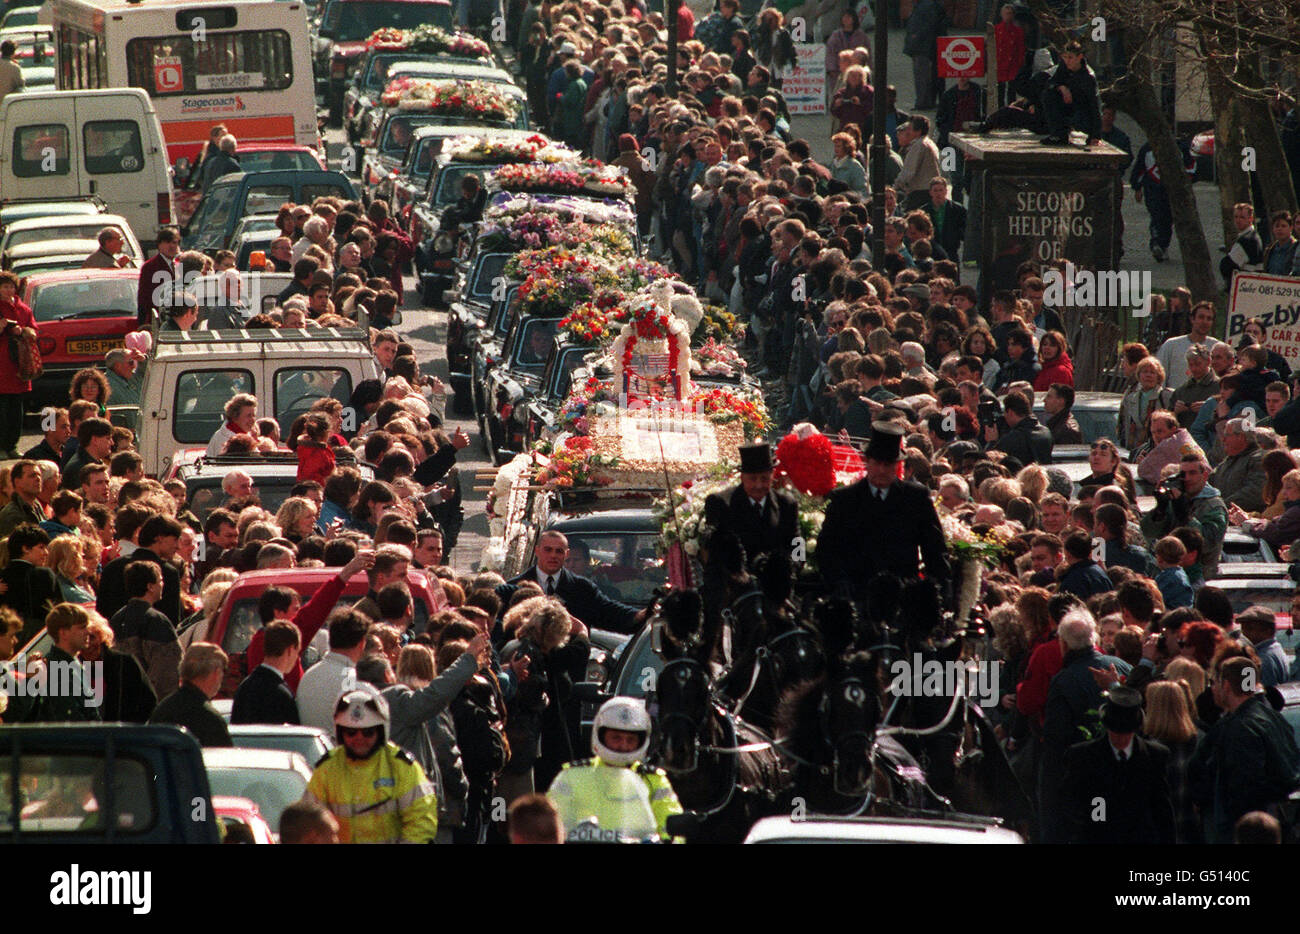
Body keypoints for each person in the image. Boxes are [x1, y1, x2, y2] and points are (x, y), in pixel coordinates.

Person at [817, 422, 950, 603]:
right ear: (867, 462)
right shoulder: (844, 499)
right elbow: (827, 549)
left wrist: (937, 593)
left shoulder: (915, 499)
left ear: (898, 465)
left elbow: (934, 550)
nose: (881, 470)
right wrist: (840, 584)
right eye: (877, 463)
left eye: (887, 464)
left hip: (902, 599)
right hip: (856, 597)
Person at [1040, 609, 1130, 843]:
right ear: (1094, 638)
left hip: (1083, 779)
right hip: (1124, 772)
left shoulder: (1064, 680)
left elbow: (1055, 739)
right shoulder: (1121, 667)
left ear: (1064, 645)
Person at [303, 689, 439, 843]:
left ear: (380, 731)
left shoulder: (402, 767)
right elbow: (309, 823)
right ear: (340, 733)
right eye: (351, 732)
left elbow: (422, 821)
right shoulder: (327, 769)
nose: (359, 738)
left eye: (368, 732)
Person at [1189, 655, 1300, 843]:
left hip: (1248, 829)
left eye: (1214, 683)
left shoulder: (1240, 728)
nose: (1212, 689)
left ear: (1226, 685)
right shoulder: (1271, 717)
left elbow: (1244, 787)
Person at [546, 697, 683, 842]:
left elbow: (674, 828)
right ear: (600, 735)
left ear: (642, 741)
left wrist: (669, 839)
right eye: (616, 738)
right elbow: (549, 823)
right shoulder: (572, 776)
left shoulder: (654, 780)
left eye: (630, 739)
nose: (623, 745)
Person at [1061, 685, 1175, 844]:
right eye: (1116, 732)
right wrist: (1093, 824)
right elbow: (1072, 802)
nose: (1120, 739)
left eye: (1126, 732)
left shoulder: (1154, 756)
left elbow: (1161, 808)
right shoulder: (1083, 756)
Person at [498, 531, 642, 634]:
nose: (553, 555)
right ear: (537, 551)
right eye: (548, 550)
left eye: (559, 551)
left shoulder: (582, 589)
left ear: (566, 554)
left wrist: (642, 615)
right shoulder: (514, 588)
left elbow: (611, 613)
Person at [702, 441, 799, 570]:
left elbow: (797, 546)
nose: (758, 485)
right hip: (736, 581)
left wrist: (789, 569)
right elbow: (713, 547)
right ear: (742, 477)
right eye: (753, 479)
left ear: (773, 476)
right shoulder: (721, 503)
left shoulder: (787, 504)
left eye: (764, 479)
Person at [1141, 452, 1228, 579]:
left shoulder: (1214, 506)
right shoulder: (1176, 500)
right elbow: (1148, 533)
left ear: (1204, 475)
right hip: (1168, 575)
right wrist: (1160, 510)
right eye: (1183, 474)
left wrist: (1185, 515)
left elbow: (1208, 542)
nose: (1187, 478)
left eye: (1192, 473)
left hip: (1201, 577)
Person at [109, 560, 181, 701]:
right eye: (160, 580)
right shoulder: (156, 621)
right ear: (150, 587)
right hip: (148, 706)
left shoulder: (116, 619)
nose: (162, 584)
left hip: (119, 702)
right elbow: (166, 673)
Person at [147, 642, 233, 746]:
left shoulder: (161, 711)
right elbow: (223, 758)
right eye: (223, 671)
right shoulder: (210, 719)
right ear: (216, 672)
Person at [231, 620, 301, 725]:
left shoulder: (244, 687)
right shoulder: (282, 695)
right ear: (290, 650)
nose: (297, 658)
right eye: (297, 652)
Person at [0, 525, 60, 643]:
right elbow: (58, 611)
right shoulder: (43, 574)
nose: (46, 553)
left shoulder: (2, 576)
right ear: (25, 548)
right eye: (41, 547)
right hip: (39, 642)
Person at [0, 270, 36, 459]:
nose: (8, 290)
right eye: (5, 286)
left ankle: (12, 445)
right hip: (2, 366)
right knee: (2, 408)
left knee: (16, 409)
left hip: (19, 365)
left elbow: (34, 329)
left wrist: (26, 331)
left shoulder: (23, 309)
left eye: (11, 286)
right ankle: (1, 447)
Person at [1039, 40, 1101, 146]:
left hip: (1082, 113)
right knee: (1048, 94)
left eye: (1071, 58)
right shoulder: (1064, 67)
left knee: (1083, 118)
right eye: (1065, 57)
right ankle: (1058, 135)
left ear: (1079, 57)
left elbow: (1095, 107)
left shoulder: (1088, 77)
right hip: (1068, 107)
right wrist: (1062, 88)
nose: (1067, 61)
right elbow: (1051, 83)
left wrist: (1095, 136)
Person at [1156, 301, 1222, 391]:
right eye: (1201, 317)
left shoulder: (1217, 348)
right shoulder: (1172, 345)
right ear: (1192, 319)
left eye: (1209, 318)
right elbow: (1159, 376)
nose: (1205, 322)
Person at [986, 391, 1053, 465]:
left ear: (1010, 412)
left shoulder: (1013, 438)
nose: (1004, 416)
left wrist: (992, 442)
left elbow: (990, 463)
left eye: (1005, 412)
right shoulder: (1046, 432)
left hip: (1022, 475)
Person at [904, 0, 947, 111]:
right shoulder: (930, 5)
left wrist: (915, 37)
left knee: (922, 75)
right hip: (928, 46)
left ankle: (923, 102)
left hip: (922, 46)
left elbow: (926, 25)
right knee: (932, 75)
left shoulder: (926, 6)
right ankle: (929, 101)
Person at [136, 227, 182, 327]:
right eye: (167, 242)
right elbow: (144, 297)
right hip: (160, 320)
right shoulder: (150, 266)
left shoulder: (182, 263)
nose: (172, 246)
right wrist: (143, 323)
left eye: (175, 242)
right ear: (159, 245)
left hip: (181, 318)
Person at [1220, 202, 1265, 286]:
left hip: (1246, 286)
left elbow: (1227, 266)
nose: (1238, 220)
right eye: (1236, 217)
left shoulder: (1247, 240)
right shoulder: (1254, 236)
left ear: (1250, 219)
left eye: (1242, 217)